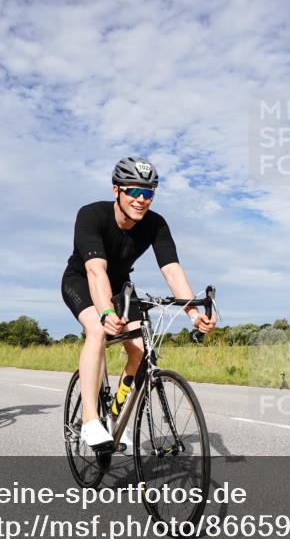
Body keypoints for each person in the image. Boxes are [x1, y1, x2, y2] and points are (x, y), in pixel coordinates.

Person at [61, 157, 216, 449]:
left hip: (122, 287)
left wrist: (193, 314)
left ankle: (114, 415)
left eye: (149, 193)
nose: (141, 199)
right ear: (116, 190)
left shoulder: (156, 224)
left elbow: (172, 270)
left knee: (141, 350)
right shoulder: (91, 215)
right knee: (97, 329)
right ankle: (91, 420)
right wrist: (106, 311)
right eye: (134, 191)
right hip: (81, 279)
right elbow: (96, 270)